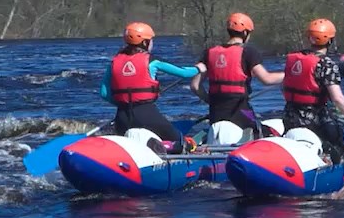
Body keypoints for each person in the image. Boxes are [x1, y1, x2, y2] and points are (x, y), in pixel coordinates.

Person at [100, 22, 204, 154]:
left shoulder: (114, 62)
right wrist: (199, 68)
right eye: (151, 40)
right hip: (147, 115)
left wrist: (124, 102)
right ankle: (167, 147)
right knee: (179, 141)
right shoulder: (152, 61)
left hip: (122, 118)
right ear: (145, 43)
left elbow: (104, 93)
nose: (152, 43)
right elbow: (183, 73)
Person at [282, 18, 344, 164]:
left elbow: (285, 87)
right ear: (330, 41)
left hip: (290, 118)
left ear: (310, 38)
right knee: (341, 137)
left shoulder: (293, 59)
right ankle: (335, 161)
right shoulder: (326, 64)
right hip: (315, 121)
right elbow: (338, 99)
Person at [189, 12, 283, 137]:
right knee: (265, 132)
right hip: (240, 111)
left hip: (216, 113)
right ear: (245, 33)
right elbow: (267, 79)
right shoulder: (248, 52)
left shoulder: (209, 52)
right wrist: (289, 75)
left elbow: (195, 86)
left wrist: (210, 100)